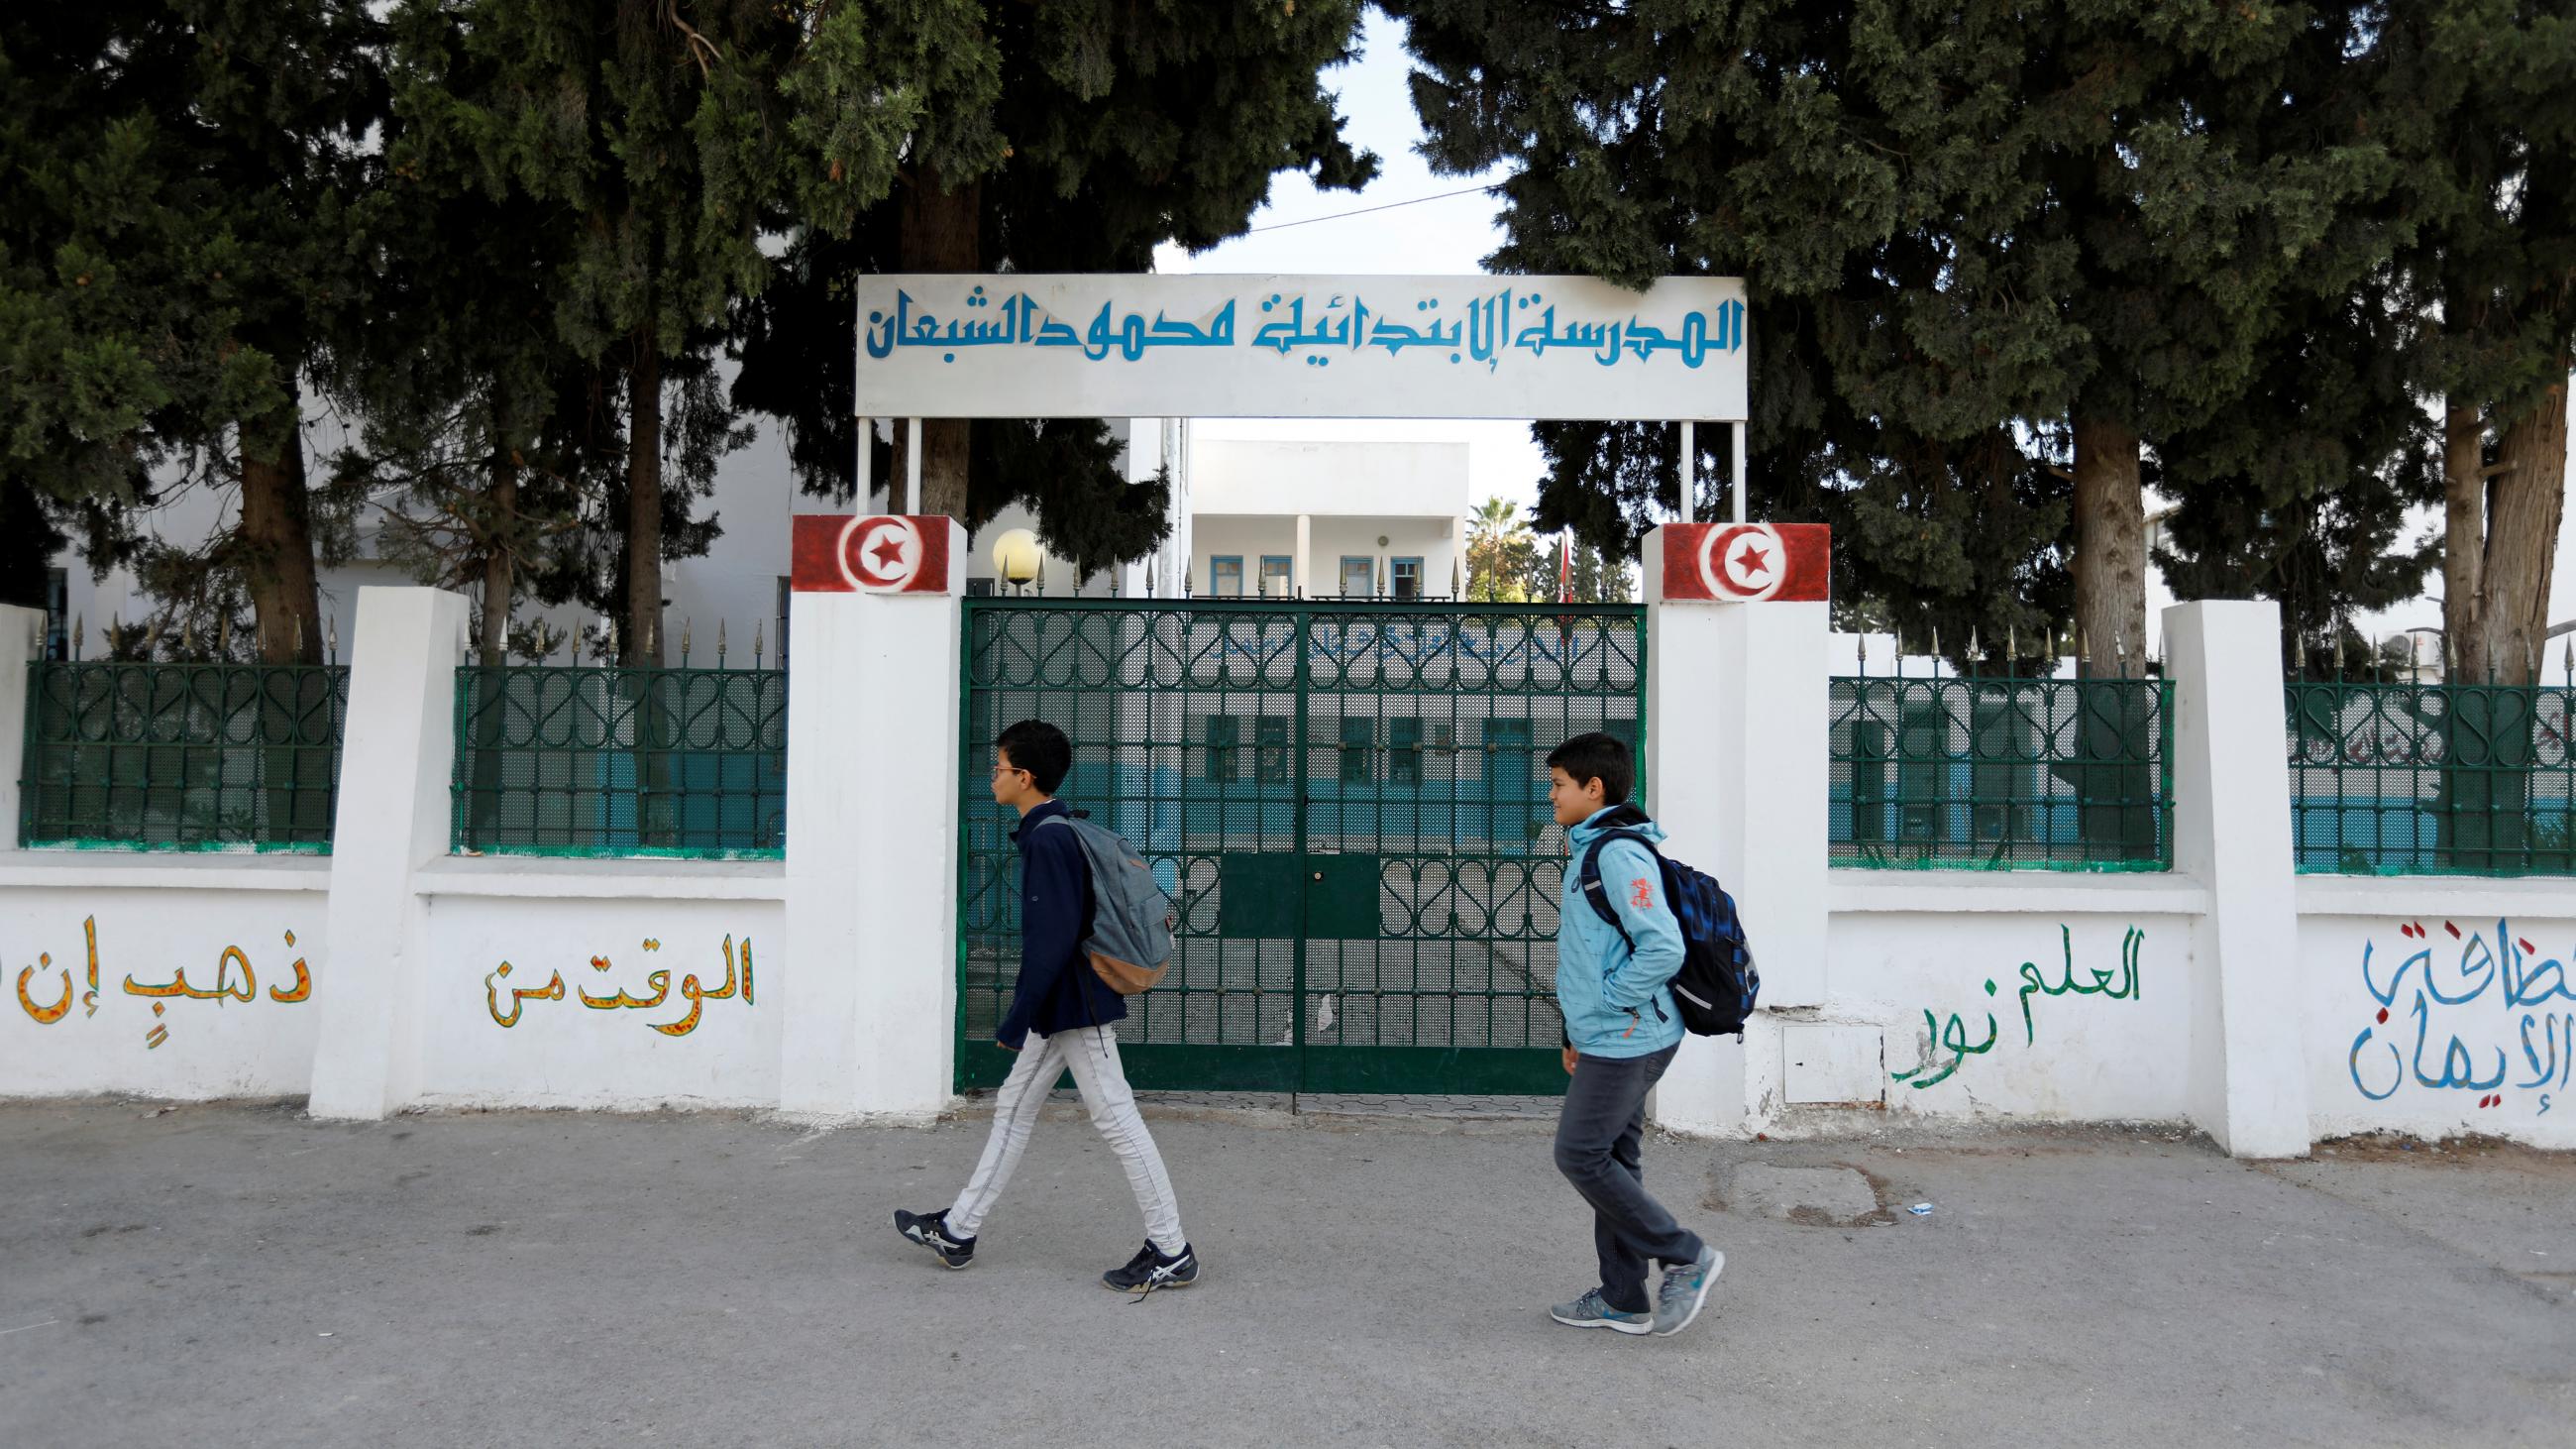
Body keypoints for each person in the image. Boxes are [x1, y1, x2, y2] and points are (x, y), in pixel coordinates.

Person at [893, 720, 1200, 1293]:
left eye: (999, 767)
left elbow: (1052, 940)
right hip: (1064, 1004)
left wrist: (1016, 1015)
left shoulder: (1049, 837)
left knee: (1116, 1119)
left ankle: (1172, 1249)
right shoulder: (1054, 830)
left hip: (1077, 1005)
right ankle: (959, 1230)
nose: (994, 776)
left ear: (1024, 777)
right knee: (1013, 1107)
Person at [1541, 730, 1722, 1337]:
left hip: (1631, 1035)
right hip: (1609, 1035)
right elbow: (1593, 950)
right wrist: (1577, 1029)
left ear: (1595, 788)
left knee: (1580, 1154)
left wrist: (1612, 1007)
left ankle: (1686, 1255)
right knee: (1614, 1156)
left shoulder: (1617, 854)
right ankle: (1622, 1297)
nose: (1552, 796)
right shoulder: (1591, 847)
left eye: (1560, 785)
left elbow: (1661, 946)